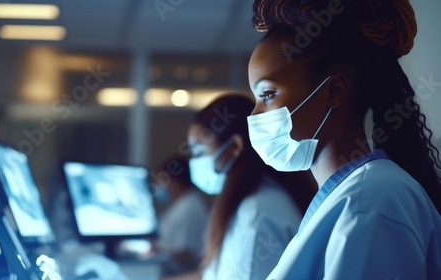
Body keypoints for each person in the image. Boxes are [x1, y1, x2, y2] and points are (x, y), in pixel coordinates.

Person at [246, 0, 441, 279]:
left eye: (267, 94)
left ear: (334, 91)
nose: (254, 114)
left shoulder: (371, 200)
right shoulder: (352, 195)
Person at [186, 94, 317, 280]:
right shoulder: (249, 202)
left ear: (234, 146)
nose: (194, 161)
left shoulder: (257, 213)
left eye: (199, 151)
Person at [153, 156, 209, 276]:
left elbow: (187, 254)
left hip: (182, 273)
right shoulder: (182, 203)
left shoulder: (189, 207)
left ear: (176, 181)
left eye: (162, 180)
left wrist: (158, 251)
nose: (159, 186)